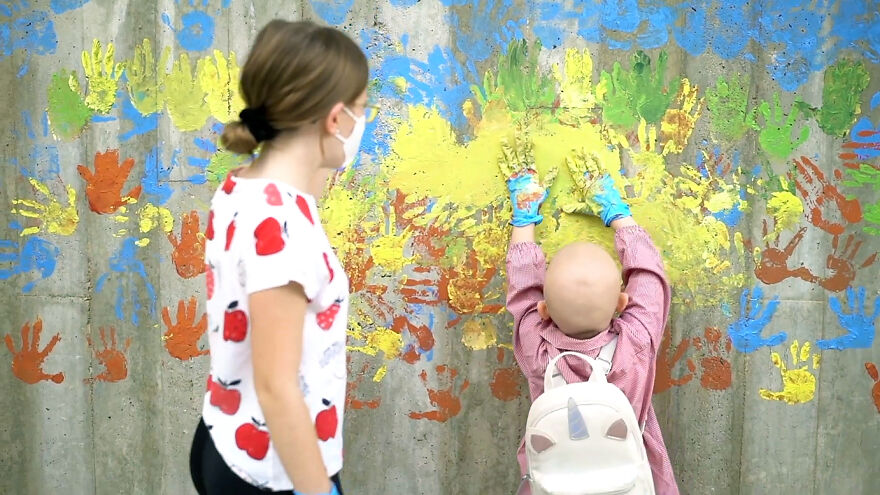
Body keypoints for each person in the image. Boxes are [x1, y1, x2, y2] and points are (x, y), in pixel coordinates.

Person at [188, 19, 377, 495]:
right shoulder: (282, 228)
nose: (364, 120)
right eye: (361, 108)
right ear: (335, 119)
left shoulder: (243, 188)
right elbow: (276, 386)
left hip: (227, 434)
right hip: (274, 468)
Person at [500, 138, 680, 494]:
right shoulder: (635, 343)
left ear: (543, 311)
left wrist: (524, 215)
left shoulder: (537, 351)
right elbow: (650, 277)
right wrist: (616, 213)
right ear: (622, 303)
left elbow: (522, 291)